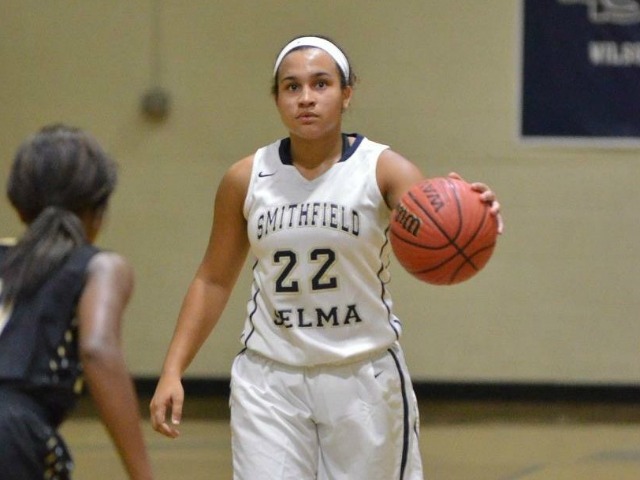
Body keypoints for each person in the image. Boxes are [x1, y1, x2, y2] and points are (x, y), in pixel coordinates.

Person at [150, 35, 503, 479]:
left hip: (362, 376)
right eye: (292, 87)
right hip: (270, 379)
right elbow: (213, 280)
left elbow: (435, 218)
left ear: (346, 93)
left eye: (321, 84)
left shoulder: (383, 169)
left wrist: (473, 211)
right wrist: (173, 370)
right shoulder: (246, 178)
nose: (306, 98)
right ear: (277, 99)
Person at [0, 124, 154, 479]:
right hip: (11, 433)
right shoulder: (101, 266)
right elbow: (98, 349)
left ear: (19, 206)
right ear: (99, 210)